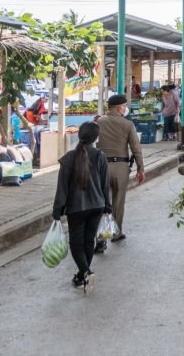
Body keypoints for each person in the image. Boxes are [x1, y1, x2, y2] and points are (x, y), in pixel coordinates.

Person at [52, 121, 111, 294]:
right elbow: (105, 185)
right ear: (96, 138)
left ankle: (86, 272)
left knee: (76, 243)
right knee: (88, 241)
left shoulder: (68, 158)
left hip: (76, 208)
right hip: (97, 205)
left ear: (79, 135)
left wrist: (57, 210)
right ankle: (81, 276)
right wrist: (107, 206)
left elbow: (62, 187)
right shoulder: (100, 156)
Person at [95, 94, 144, 252]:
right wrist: (140, 169)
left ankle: (101, 239)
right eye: (124, 106)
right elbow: (136, 149)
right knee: (118, 203)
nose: (125, 108)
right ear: (119, 108)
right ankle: (116, 233)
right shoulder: (127, 124)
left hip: (101, 167)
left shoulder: (98, 122)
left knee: (101, 203)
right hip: (121, 167)